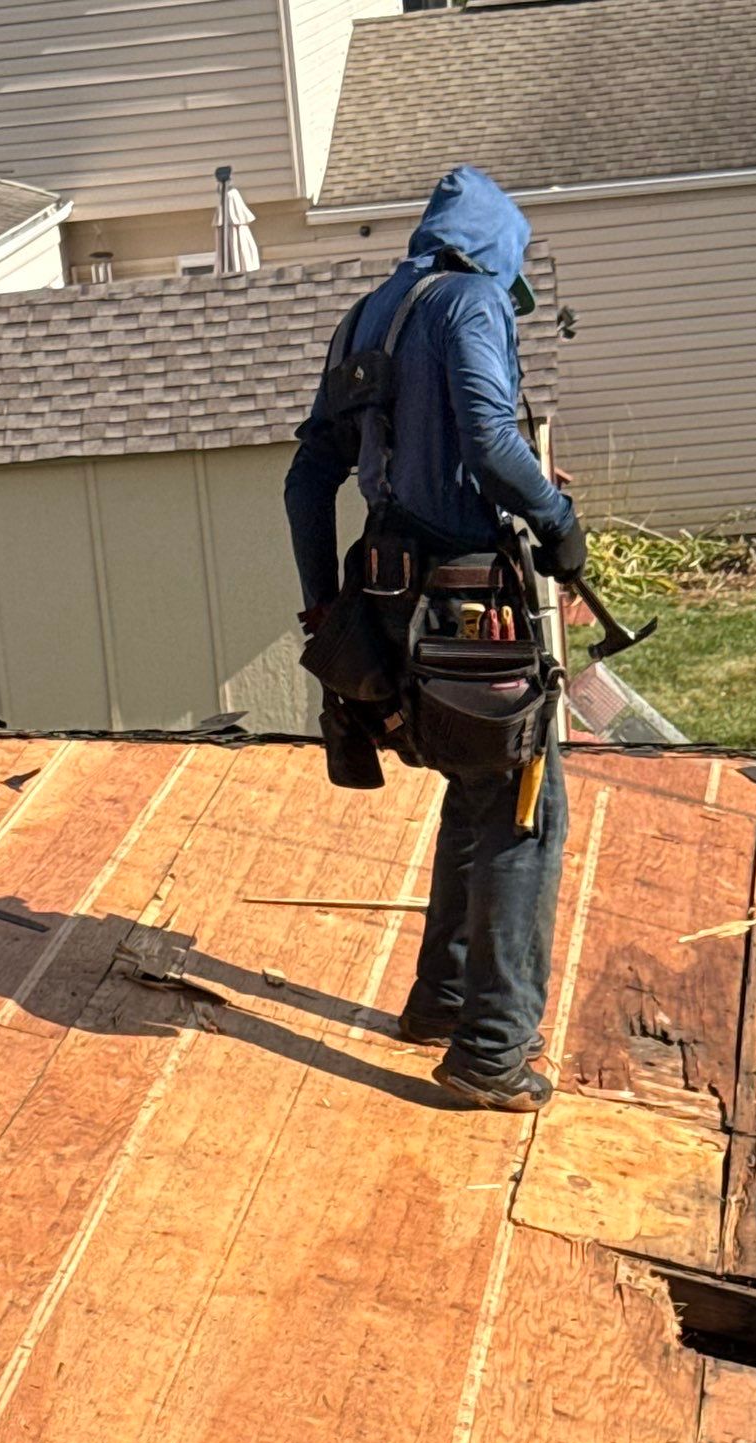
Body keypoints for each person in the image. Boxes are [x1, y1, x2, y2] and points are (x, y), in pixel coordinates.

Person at [285, 167, 588, 1115]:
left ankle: (442, 999)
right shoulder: (471, 304)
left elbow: (307, 477)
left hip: (386, 593)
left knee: (472, 780)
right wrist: (559, 521)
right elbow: (492, 443)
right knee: (525, 807)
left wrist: (324, 607)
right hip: (465, 597)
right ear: (498, 253)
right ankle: (492, 1051)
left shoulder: (369, 317)